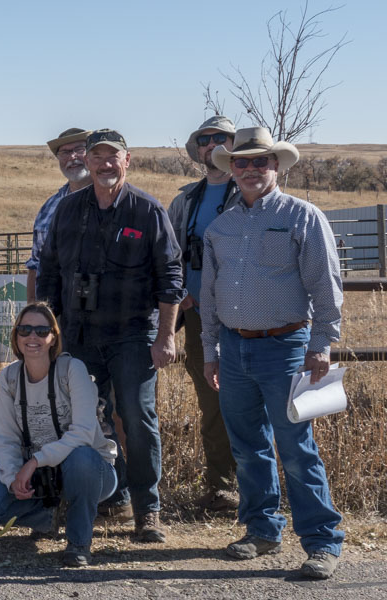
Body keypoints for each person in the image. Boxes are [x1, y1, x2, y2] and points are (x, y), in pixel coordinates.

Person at [201, 127, 345, 579]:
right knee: (247, 447)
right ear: (232, 169)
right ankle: (262, 529)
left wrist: (321, 344)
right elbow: (208, 295)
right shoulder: (220, 226)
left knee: (297, 446)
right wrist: (210, 350)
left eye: (259, 162)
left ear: (276, 166)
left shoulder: (302, 216)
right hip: (234, 346)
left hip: (288, 347)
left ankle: (322, 541)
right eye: (240, 163)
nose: (248, 170)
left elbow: (326, 286)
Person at [36, 129, 184, 542]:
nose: (103, 164)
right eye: (96, 156)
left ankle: (146, 509)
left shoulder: (147, 211)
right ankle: (90, 499)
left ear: (127, 161)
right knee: (79, 420)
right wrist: (46, 329)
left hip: (132, 335)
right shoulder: (68, 210)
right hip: (79, 336)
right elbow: (48, 271)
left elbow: (171, 278)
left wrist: (167, 337)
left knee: (136, 418)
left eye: (111, 157)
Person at [0, 303, 117, 567]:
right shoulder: (10, 377)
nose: (32, 337)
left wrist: (34, 461)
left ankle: (79, 543)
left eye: (41, 330)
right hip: (40, 475)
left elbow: (83, 433)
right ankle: (48, 517)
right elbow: (4, 437)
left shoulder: (73, 370)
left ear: (53, 338)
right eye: (25, 330)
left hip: (90, 471)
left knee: (82, 457)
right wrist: (14, 476)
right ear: (16, 336)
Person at [167, 116, 242, 512]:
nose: (211, 144)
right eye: (204, 139)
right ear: (197, 149)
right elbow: (167, 257)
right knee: (211, 404)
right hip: (199, 318)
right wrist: (182, 296)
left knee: (252, 402)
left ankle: (257, 489)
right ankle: (222, 487)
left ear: (233, 145)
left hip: (247, 314)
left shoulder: (248, 191)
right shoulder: (185, 201)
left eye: (220, 139)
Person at [26, 128, 92, 302]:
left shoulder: (111, 199)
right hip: (59, 309)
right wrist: (33, 310)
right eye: (65, 152)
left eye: (79, 149)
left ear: (92, 153)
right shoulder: (49, 208)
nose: (72, 157)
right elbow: (35, 265)